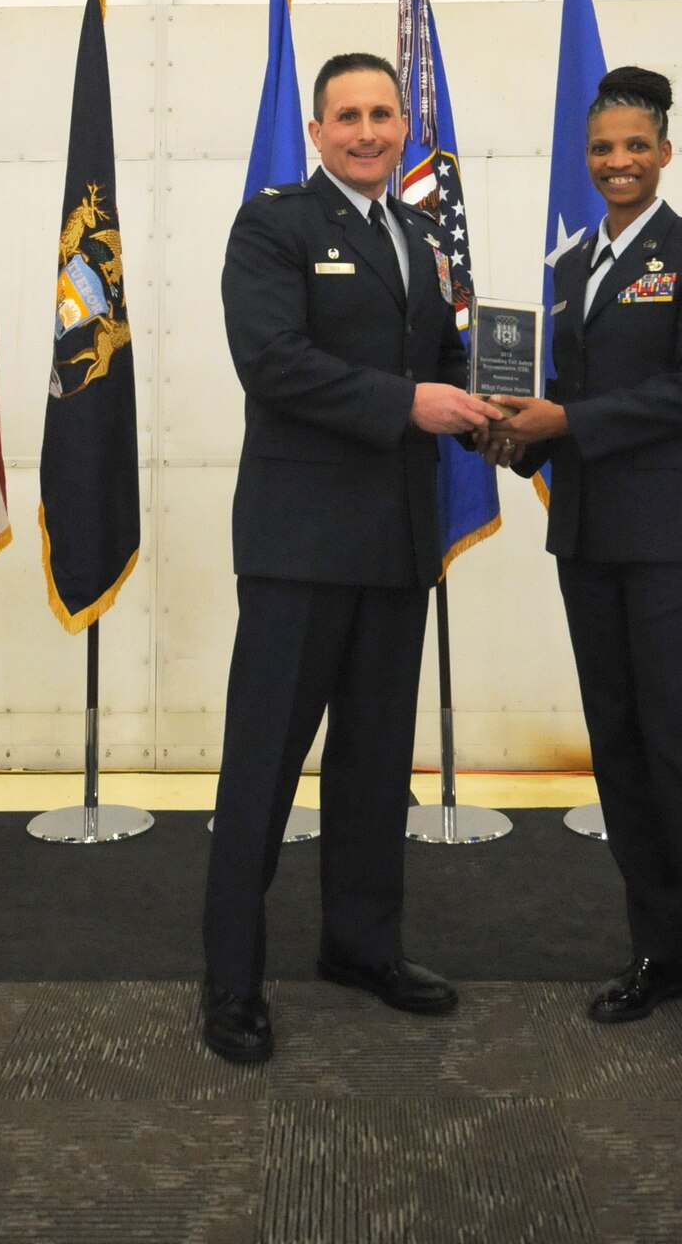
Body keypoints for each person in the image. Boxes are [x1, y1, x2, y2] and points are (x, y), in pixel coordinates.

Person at [202, 53, 501, 1062]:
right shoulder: (273, 224)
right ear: (319, 130)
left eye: (383, 114)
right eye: (349, 116)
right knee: (263, 767)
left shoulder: (417, 231)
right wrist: (408, 403)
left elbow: (445, 360)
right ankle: (230, 980)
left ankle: (361, 944)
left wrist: (495, 411)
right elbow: (271, 361)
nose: (369, 131)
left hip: (395, 541)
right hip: (299, 545)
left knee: (374, 766)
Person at [481, 66, 682, 1075]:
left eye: (632, 145)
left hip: (678, 539)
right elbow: (560, 396)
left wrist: (568, 421)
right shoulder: (569, 268)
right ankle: (662, 953)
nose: (616, 161)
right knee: (620, 754)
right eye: (600, 148)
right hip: (592, 538)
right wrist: (514, 436)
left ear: (663, 150)